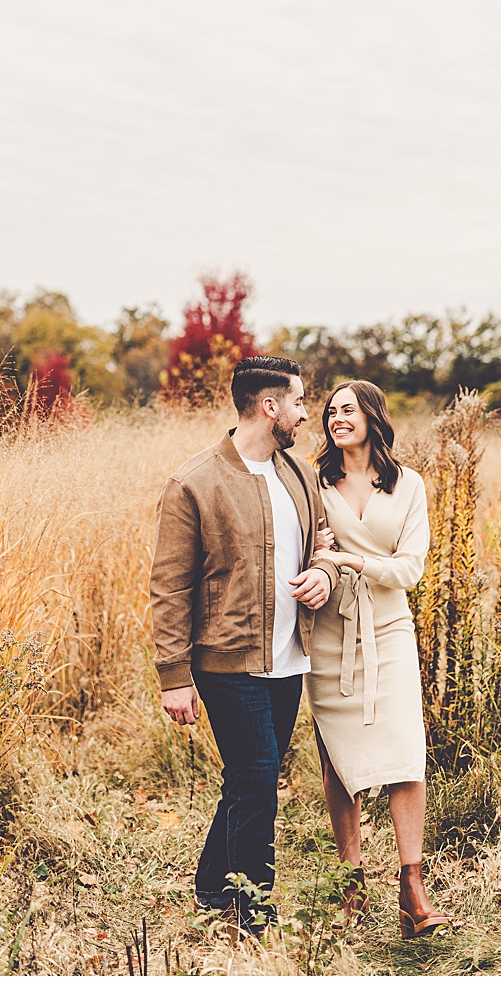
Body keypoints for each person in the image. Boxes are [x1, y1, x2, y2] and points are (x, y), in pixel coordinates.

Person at [149, 355, 340, 939]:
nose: (308, 415)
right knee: (259, 781)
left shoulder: (300, 475)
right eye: (301, 403)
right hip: (226, 661)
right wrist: (174, 676)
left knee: (248, 778)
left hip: (288, 658)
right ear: (270, 406)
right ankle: (251, 912)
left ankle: (212, 887)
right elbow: (169, 585)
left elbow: (324, 543)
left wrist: (326, 573)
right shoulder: (195, 482)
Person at [303, 379, 451, 938]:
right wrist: (328, 566)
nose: (338, 418)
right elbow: (307, 552)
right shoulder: (314, 482)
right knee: (339, 759)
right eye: (330, 411)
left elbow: (409, 570)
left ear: (372, 416)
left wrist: (348, 560)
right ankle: (351, 886)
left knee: (404, 753)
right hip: (330, 634)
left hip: (388, 630)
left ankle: (412, 889)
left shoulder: (407, 485)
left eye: (348, 409)